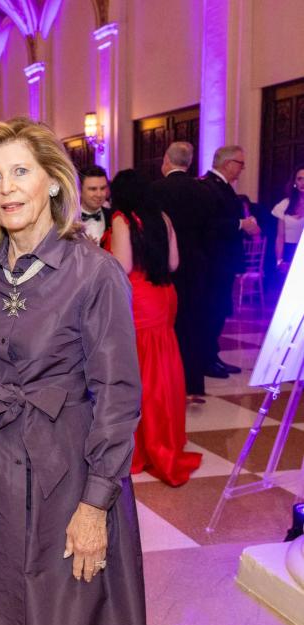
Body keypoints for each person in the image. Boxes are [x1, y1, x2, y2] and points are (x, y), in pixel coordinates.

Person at [0, 117, 146, 625]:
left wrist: (95, 504)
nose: (6, 188)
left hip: (67, 470)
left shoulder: (94, 272)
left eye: (20, 171)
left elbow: (118, 396)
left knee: (67, 616)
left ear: (53, 181)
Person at [109, 169, 202, 486]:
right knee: (164, 370)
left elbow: (121, 267)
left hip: (138, 300)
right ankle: (167, 439)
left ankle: (146, 446)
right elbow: (174, 263)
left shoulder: (122, 219)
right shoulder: (161, 216)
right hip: (163, 296)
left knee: (142, 373)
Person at [151, 141, 216, 401]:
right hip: (198, 265)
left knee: (171, 325)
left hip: (167, 265)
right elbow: (212, 230)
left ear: (166, 159)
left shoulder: (156, 190)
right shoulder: (204, 191)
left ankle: (172, 384)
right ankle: (195, 385)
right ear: (189, 163)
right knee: (195, 323)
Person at [202, 145, 260, 377]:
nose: (242, 169)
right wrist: (241, 224)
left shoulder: (223, 188)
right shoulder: (209, 187)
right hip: (215, 261)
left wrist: (246, 225)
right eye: (240, 164)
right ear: (227, 164)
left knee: (220, 308)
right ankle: (206, 357)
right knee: (213, 309)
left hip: (225, 260)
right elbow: (209, 224)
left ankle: (212, 354)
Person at [273, 164, 304, 271]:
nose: (303, 182)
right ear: (295, 182)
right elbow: (280, 237)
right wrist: (279, 260)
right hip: (289, 252)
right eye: (299, 179)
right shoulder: (284, 205)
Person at [79, 164, 111, 246]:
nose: (99, 194)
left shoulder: (114, 218)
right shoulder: (66, 220)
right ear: (79, 191)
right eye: (93, 189)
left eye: (103, 188)